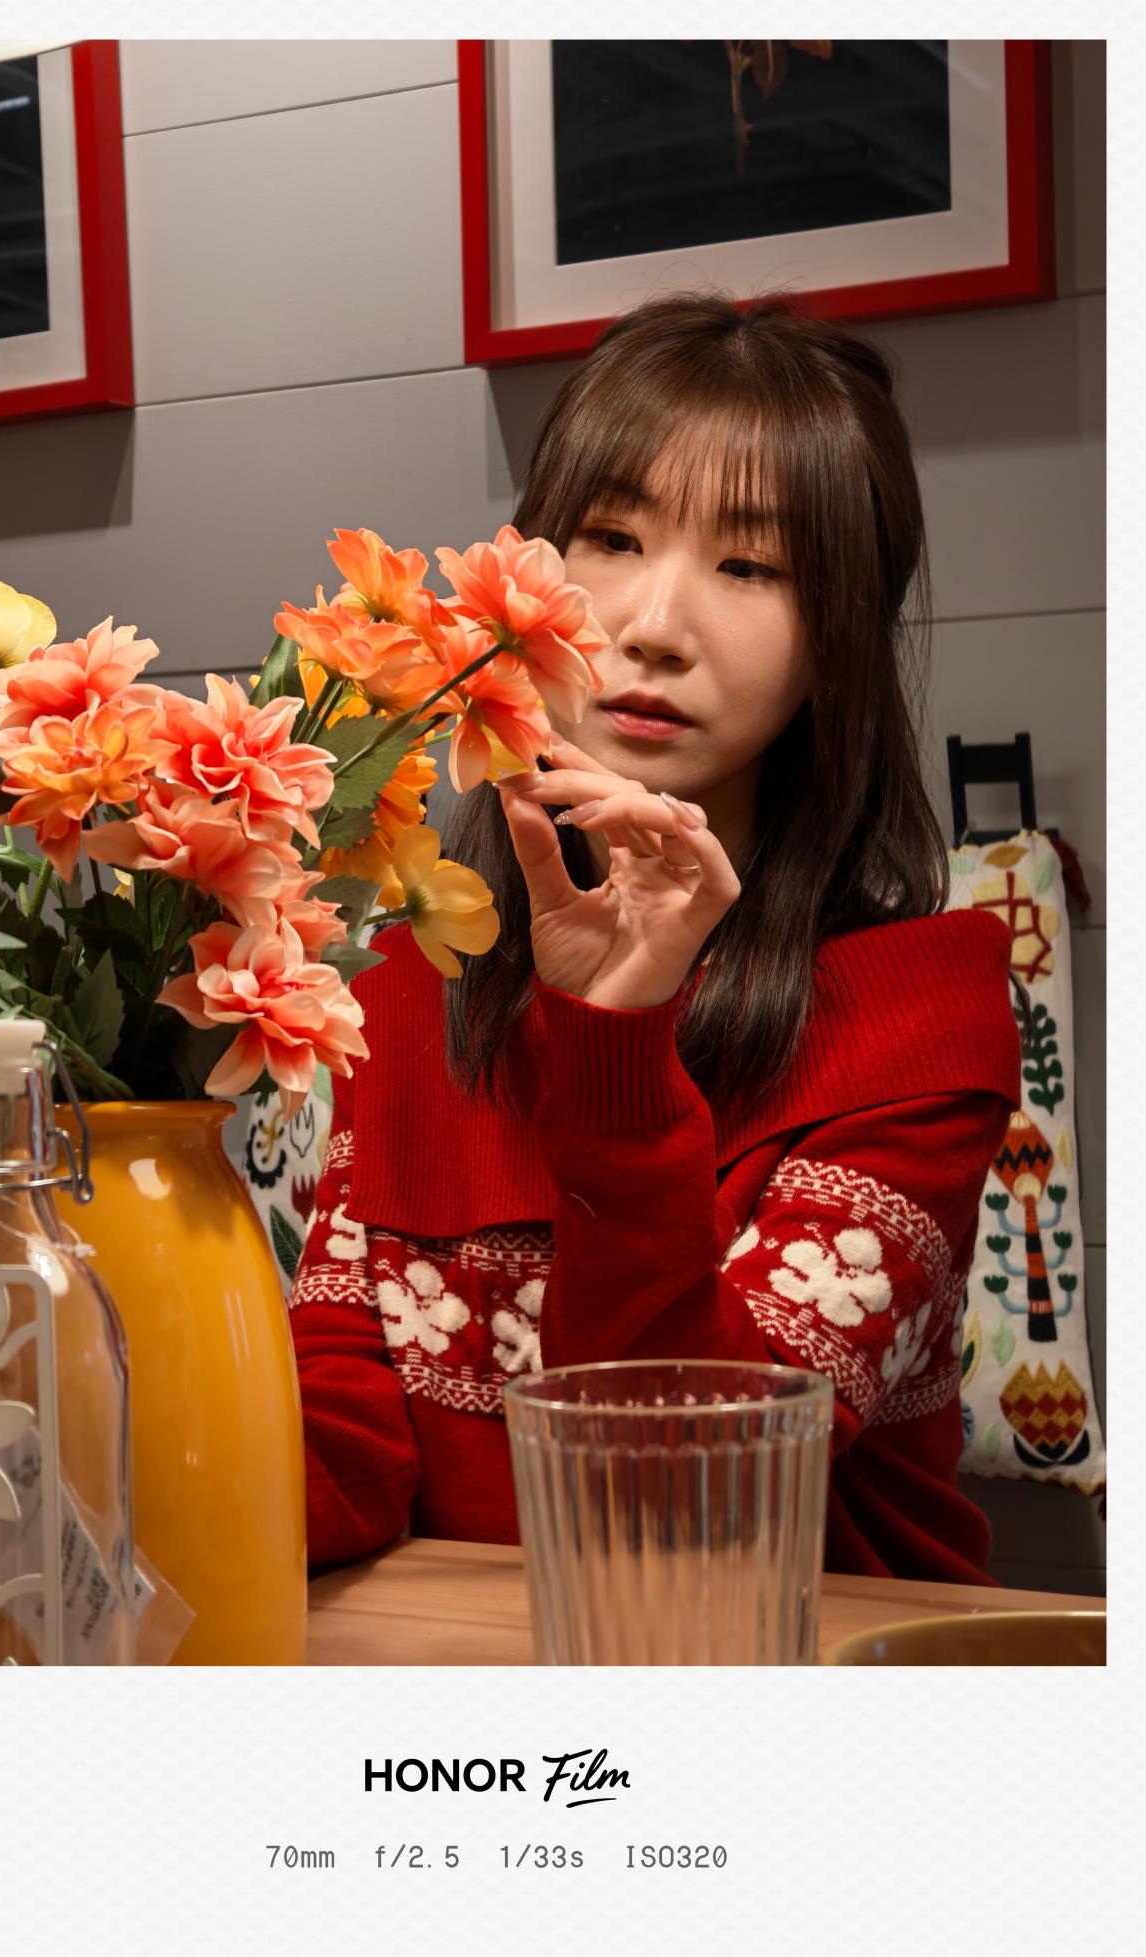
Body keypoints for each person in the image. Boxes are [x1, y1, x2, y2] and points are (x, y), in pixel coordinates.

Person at [289, 290, 1020, 1583]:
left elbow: (686, 1483)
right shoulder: (412, 975)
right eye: (613, 537)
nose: (653, 628)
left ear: (837, 640)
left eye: (752, 566)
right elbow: (341, 1441)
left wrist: (616, 1039)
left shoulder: (921, 1016)